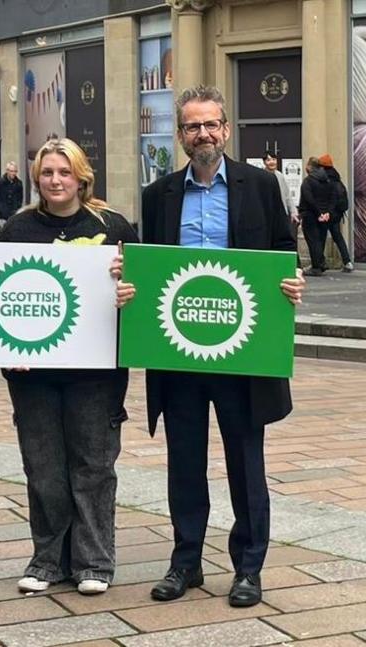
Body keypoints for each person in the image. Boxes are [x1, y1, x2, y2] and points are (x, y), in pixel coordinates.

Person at [134, 85, 304, 608]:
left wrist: (291, 280)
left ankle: (248, 568)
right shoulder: (157, 193)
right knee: (183, 461)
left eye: (211, 125)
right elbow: (149, 266)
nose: (202, 134)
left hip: (242, 351)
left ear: (226, 130)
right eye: (192, 126)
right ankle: (185, 562)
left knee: (245, 462)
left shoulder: (260, 184)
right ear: (180, 134)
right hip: (180, 350)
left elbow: (281, 250)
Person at [0, 138, 138, 596]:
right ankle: (48, 560)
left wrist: (127, 291)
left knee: (93, 467)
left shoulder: (113, 226)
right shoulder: (17, 229)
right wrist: (4, 355)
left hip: (96, 374)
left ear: (81, 177)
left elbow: (142, 290)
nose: (55, 181)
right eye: (47, 173)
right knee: (43, 468)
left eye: (64, 172)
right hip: (33, 375)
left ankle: (95, 561)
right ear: (36, 179)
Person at [0, 161, 24, 229]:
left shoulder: (19, 184)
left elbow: (20, 199)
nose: (13, 173)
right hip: (1, 215)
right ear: (7, 171)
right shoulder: (0, 183)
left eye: (15, 171)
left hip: (13, 214)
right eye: (11, 171)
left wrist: (17, 209)